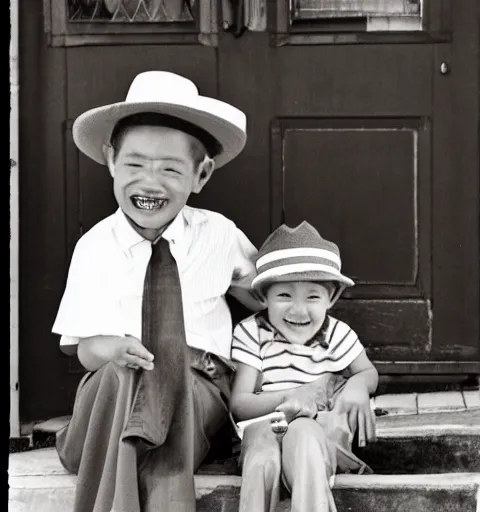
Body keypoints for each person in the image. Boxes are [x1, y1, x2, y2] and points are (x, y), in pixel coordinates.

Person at [52, 70, 264, 512]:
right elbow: (83, 350)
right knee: (124, 374)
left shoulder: (219, 236)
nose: (150, 182)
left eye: (170, 169)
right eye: (135, 164)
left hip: (195, 392)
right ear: (111, 161)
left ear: (201, 174)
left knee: (172, 381)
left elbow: (264, 292)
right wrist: (111, 348)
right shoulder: (93, 248)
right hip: (114, 394)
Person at [230, 221, 379, 512]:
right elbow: (240, 404)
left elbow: (367, 371)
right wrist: (291, 398)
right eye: (284, 295)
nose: (298, 310)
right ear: (263, 297)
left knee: (302, 435)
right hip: (269, 425)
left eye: (312, 296)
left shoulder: (337, 334)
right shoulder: (251, 333)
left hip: (320, 431)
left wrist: (358, 386)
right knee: (261, 457)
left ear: (331, 297)